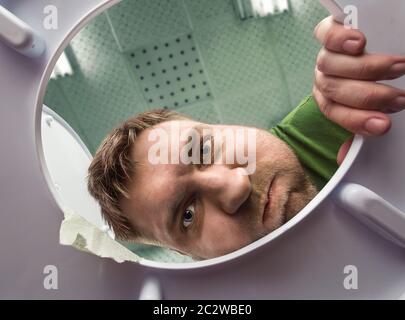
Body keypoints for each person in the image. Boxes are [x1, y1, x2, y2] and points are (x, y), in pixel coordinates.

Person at [87, 17, 405, 260]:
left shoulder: (345, 112)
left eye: (204, 148)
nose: (235, 185)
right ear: (192, 257)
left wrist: (377, 27)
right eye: (187, 215)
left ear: (225, 126)